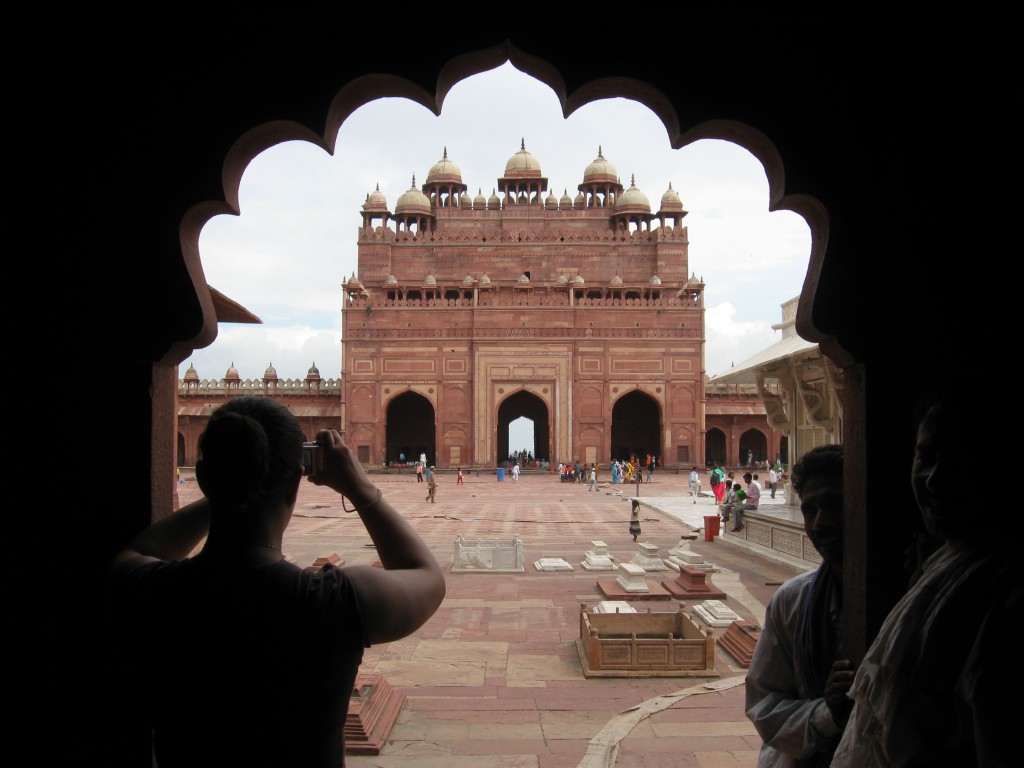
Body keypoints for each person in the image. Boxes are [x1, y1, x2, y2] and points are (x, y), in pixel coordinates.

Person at [107, 396, 446, 767]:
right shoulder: (328, 602)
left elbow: (140, 549)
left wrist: (231, 489)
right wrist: (358, 487)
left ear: (205, 479)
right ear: (294, 482)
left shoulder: (154, 592)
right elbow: (426, 576)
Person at [831, 382, 1022, 767]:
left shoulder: (1008, 599)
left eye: (962, 463)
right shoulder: (942, 568)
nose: (936, 479)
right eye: (926, 458)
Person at [745, 444, 854, 767]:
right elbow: (764, 709)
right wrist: (828, 712)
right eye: (810, 510)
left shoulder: (918, 594)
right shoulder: (794, 601)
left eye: (836, 504)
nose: (820, 524)